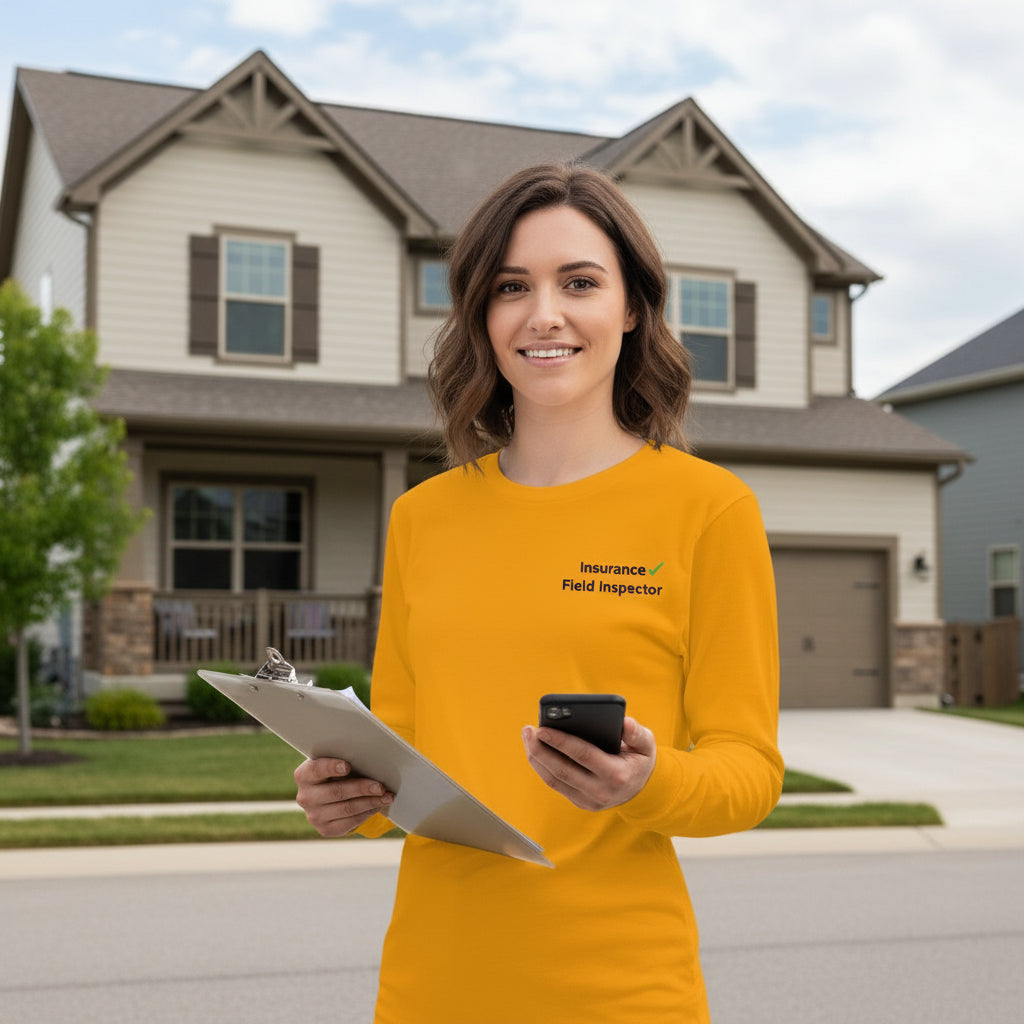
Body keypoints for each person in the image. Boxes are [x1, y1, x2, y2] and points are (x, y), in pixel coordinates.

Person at [295, 162, 784, 1023]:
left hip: (624, 988)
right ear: (483, 316)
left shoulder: (710, 510)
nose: (543, 313)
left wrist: (646, 782)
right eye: (511, 286)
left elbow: (748, 772)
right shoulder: (423, 517)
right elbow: (402, 749)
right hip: (432, 982)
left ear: (631, 308)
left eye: (580, 282)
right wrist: (346, 797)